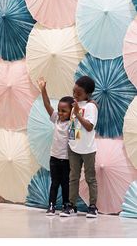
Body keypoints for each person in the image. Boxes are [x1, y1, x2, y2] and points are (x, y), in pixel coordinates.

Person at [60, 76, 98, 218]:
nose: (75, 95)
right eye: (74, 91)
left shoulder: (91, 107)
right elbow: (73, 125)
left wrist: (77, 113)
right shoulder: (74, 103)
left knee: (90, 178)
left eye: (79, 93)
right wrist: (70, 141)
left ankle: (93, 206)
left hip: (88, 149)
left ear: (87, 94)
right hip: (74, 148)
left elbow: (89, 127)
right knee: (73, 177)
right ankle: (71, 205)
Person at [37, 77, 74, 216]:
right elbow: (47, 105)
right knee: (54, 183)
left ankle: (66, 205)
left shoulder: (73, 124)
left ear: (71, 112)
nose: (60, 113)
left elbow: (75, 138)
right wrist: (43, 89)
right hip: (54, 158)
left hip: (67, 160)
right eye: (59, 110)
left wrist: (75, 113)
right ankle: (51, 205)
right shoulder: (57, 119)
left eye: (64, 111)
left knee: (66, 184)